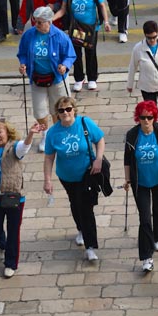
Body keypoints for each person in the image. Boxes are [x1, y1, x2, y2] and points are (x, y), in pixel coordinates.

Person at [0, 118, 40, 278]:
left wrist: (31, 134)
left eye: (0, 132)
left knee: (13, 231)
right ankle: (2, 244)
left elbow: (24, 147)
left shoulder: (14, 148)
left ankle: (11, 263)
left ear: (7, 133)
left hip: (13, 197)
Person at [43, 97, 106, 262]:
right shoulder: (53, 133)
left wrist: (98, 159)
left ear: (74, 110)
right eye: (62, 110)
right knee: (75, 204)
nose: (65, 113)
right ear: (57, 113)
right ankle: (80, 228)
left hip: (87, 173)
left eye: (68, 109)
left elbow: (99, 139)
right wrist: (47, 180)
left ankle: (90, 246)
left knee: (86, 208)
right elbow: (49, 158)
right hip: (67, 177)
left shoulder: (85, 123)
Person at [123, 99, 158, 273]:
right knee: (144, 218)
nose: (146, 121)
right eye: (143, 117)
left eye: (149, 117)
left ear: (154, 117)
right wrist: (127, 179)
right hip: (141, 183)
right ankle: (146, 257)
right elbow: (127, 160)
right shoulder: (132, 135)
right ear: (138, 118)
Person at [17, 6, 76, 151]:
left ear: (49, 22)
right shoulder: (29, 35)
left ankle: (57, 134)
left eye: (40, 22)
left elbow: (70, 55)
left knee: (59, 109)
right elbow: (22, 53)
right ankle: (46, 134)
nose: (36, 25)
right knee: (39, 111)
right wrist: (23, 64)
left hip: (56, 79)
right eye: (35, 22)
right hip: (37, 78)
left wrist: (65, 65)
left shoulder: (60, 36)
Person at [58, 0, 110, 91]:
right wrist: (50, 19)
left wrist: (106, 22)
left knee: (90, 53)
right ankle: (79, 78)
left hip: (91, 28)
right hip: (75, 27)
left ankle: (92, 78)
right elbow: (63, 9)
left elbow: (102, 5)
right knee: (76, 53)